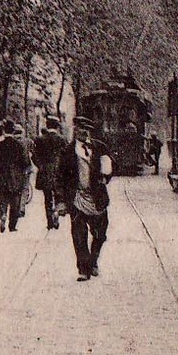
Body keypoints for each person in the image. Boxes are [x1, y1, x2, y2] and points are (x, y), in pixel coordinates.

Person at [57, 115, 114, 282]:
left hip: (97, 198)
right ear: (75, 130)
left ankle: (93, 260)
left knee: (100, 234)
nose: (83, 132)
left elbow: (111, 166)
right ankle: (83, 269)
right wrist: (61, 200)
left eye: (87, 130)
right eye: (80, 129)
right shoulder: (67, 152)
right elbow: (60, 177)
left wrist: (107, 175)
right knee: (79, 235)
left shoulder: (100, 148)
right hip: (76, 198)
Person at [0, 122, 34, 233]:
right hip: (16, 177)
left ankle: (3, 214)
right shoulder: (19, 145)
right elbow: (25, 162)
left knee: (3, 198)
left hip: (2, 176)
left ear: (4, 131)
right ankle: (12, 225)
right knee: (15, 201)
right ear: (13, 131)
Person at [32, 115, 67, 232]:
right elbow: (66, 156)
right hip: (58, 171)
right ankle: (57, 211)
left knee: (47, 198)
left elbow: (34, 156)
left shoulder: (39, 139)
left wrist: (40, 166)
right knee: (58, 194)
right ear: (57, 126)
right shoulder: (62, 139)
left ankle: (49, 221)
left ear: (47, 125)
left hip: (44, 172)